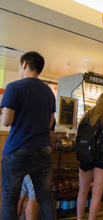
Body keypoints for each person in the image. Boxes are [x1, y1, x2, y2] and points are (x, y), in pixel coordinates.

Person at [0, 51, 56, 220]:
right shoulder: (48, 92)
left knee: (10, 198)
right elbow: (49, 123)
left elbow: (7, 121)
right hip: (43, 149)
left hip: (17, 148)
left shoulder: (14, 87)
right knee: (45, 197)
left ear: (24, 64)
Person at [76, 92, 103, 220]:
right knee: (96, 194)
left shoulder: (86, 115)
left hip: (86, 156)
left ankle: (79, 218)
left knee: (82, 191)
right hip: (102, 157)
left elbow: (78, 135)